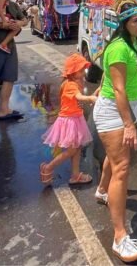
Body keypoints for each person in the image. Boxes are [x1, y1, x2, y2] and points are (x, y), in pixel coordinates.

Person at [93, 0, 137, 262]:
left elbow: (119, 79)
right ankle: (119, 237)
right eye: (135, 21)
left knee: (115, 161)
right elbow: (119, 88)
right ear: (124, 24)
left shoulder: (134, 42)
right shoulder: (118, 47)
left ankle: (102, 191)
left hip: (126, 107)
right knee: (122, 168)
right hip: (115, 111)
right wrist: (128, 125)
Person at [39, 53, 96, 186]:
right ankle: (48, 168)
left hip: (75, 118)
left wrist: (93, 95)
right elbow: (79, 97)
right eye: (81, 70)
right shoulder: (70, 85)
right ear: (72, 72)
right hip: (69, 121)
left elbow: (81, 99)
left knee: (76, 148)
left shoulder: (74, 82)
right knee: (71, 150)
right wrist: (90, 98)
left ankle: (75, 175)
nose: (83, 72)